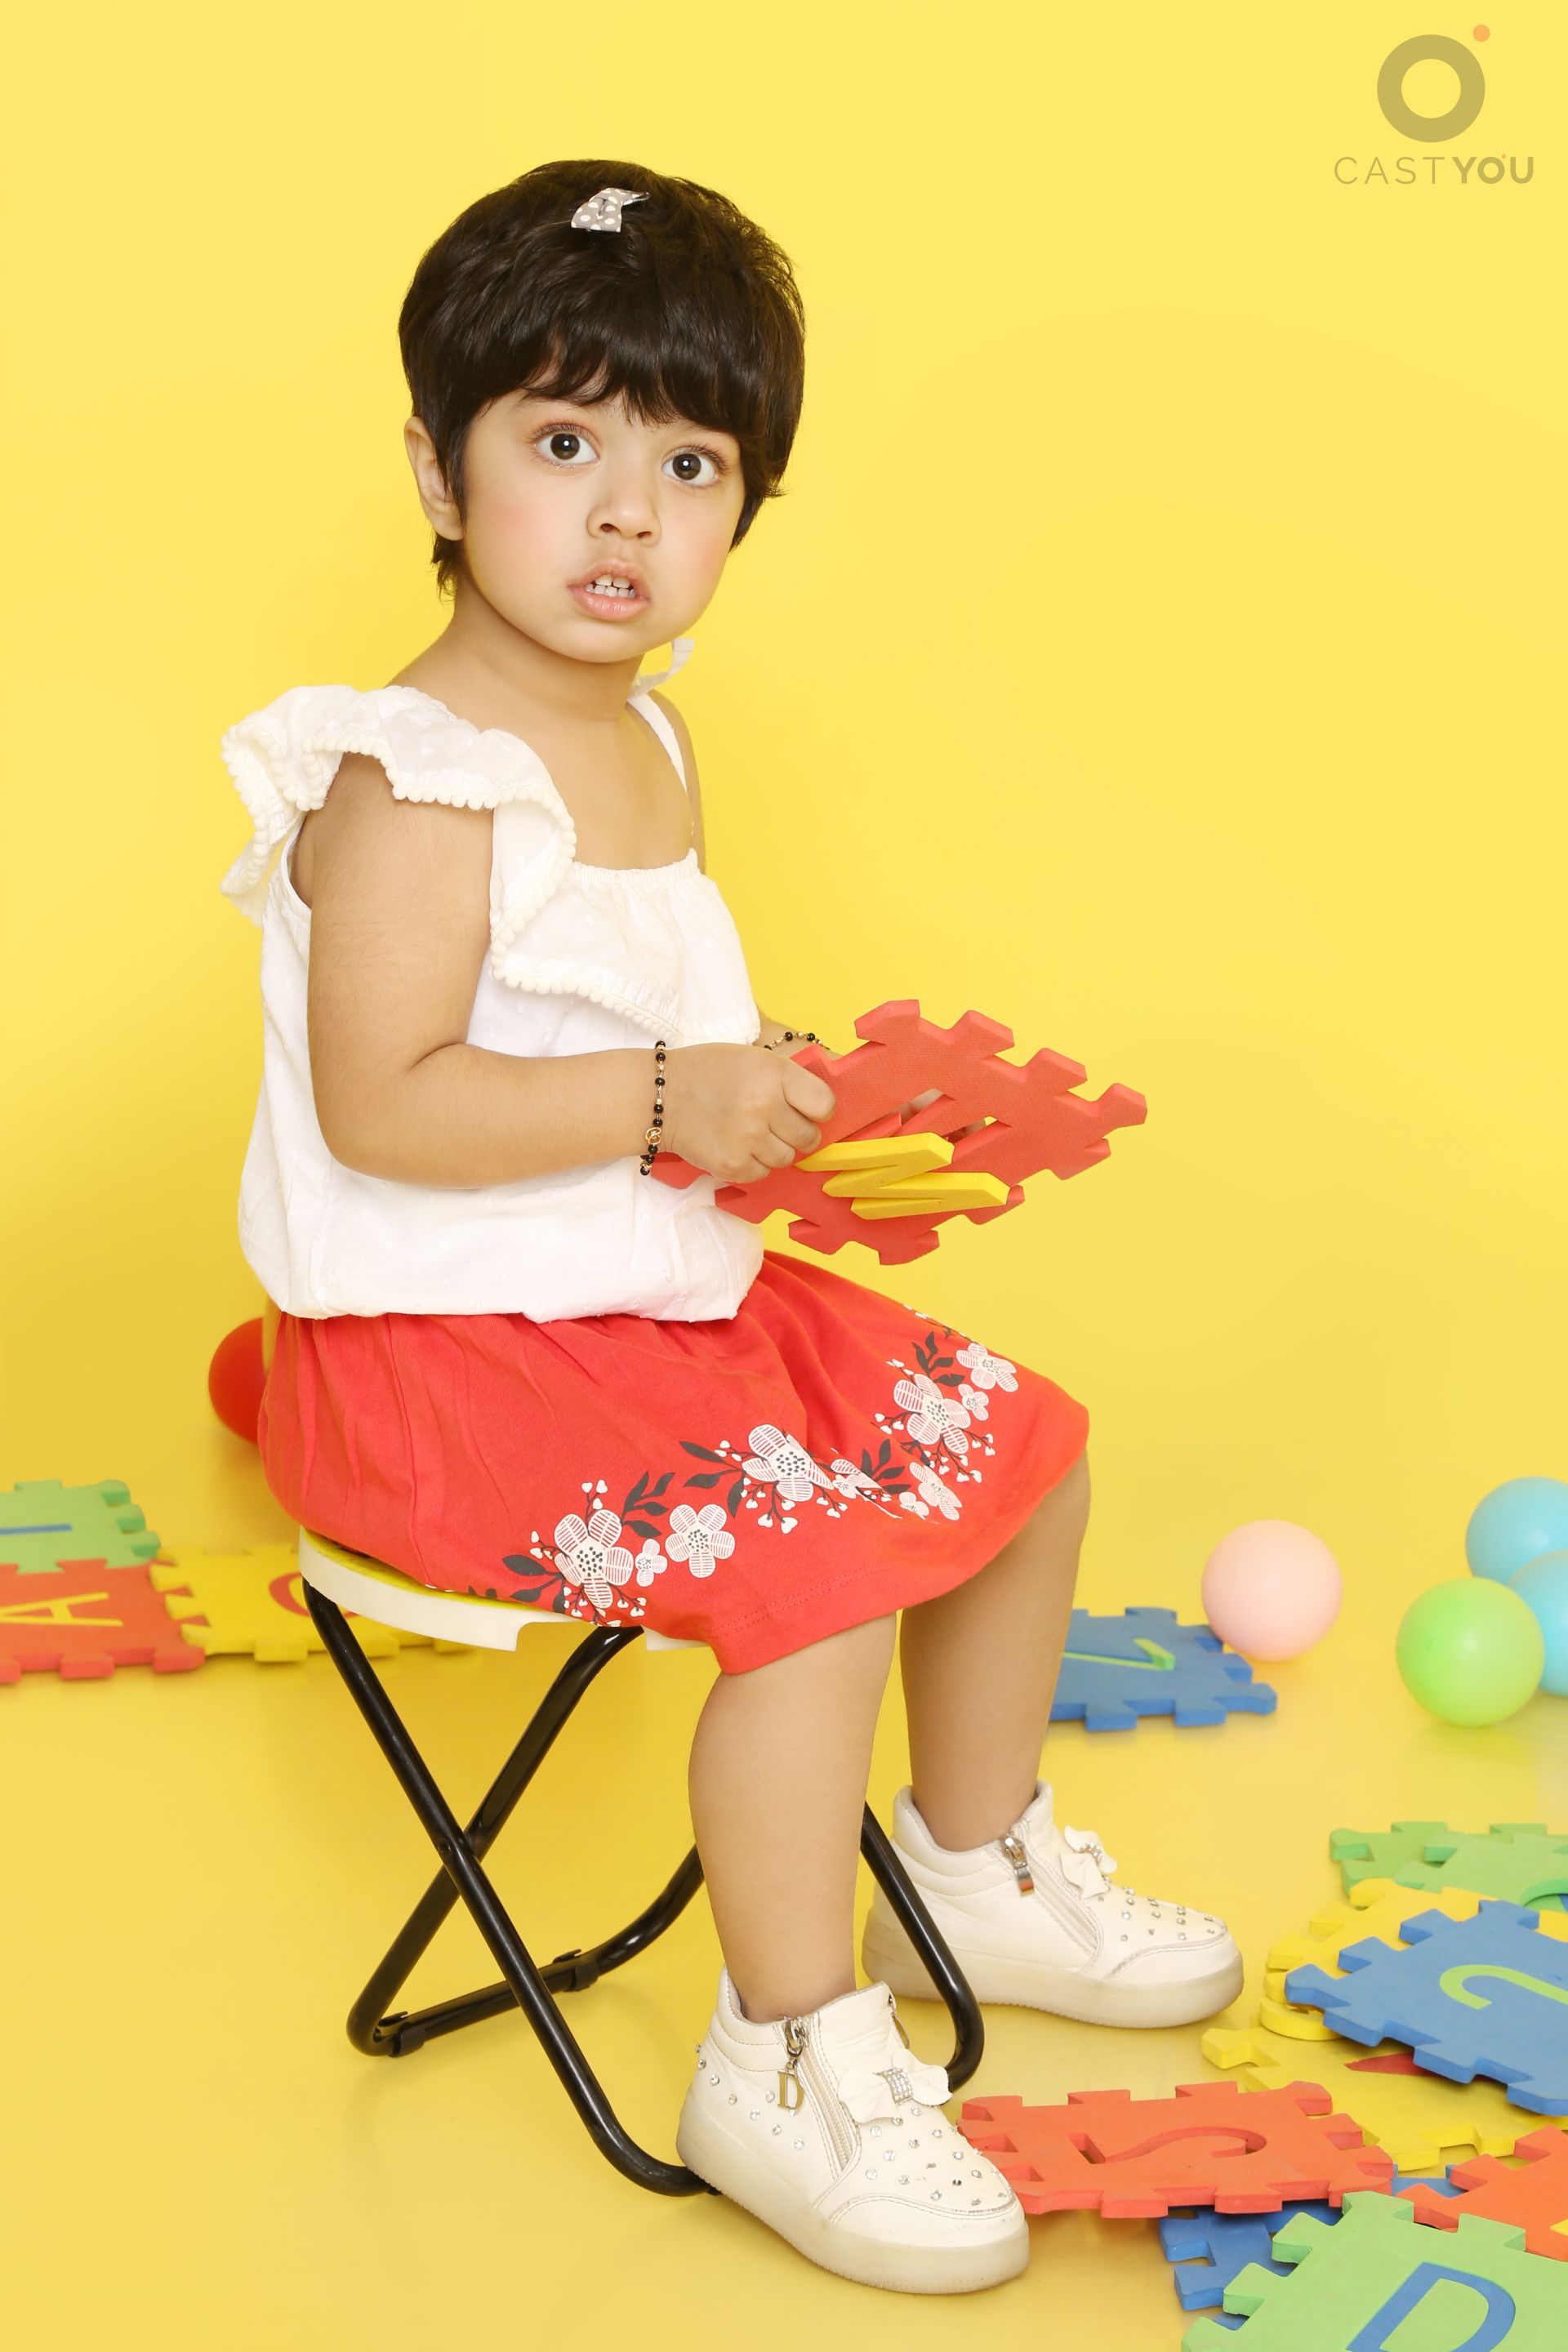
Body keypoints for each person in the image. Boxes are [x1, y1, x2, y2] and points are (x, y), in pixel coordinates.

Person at [220, 161, 1241, 2296]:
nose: (625, 515)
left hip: (642, 1303)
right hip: (439, 1364)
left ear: (744, 506)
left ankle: (969, 1868)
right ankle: (782, 2048)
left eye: (689, 466)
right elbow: (383, 1105)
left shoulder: (653, 738)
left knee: (1022, 1442)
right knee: (819, 1566)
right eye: (560, 444)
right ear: (437, 467)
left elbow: (618, 1047)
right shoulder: (412, 779)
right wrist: (669, 1103)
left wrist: (769, 1108)